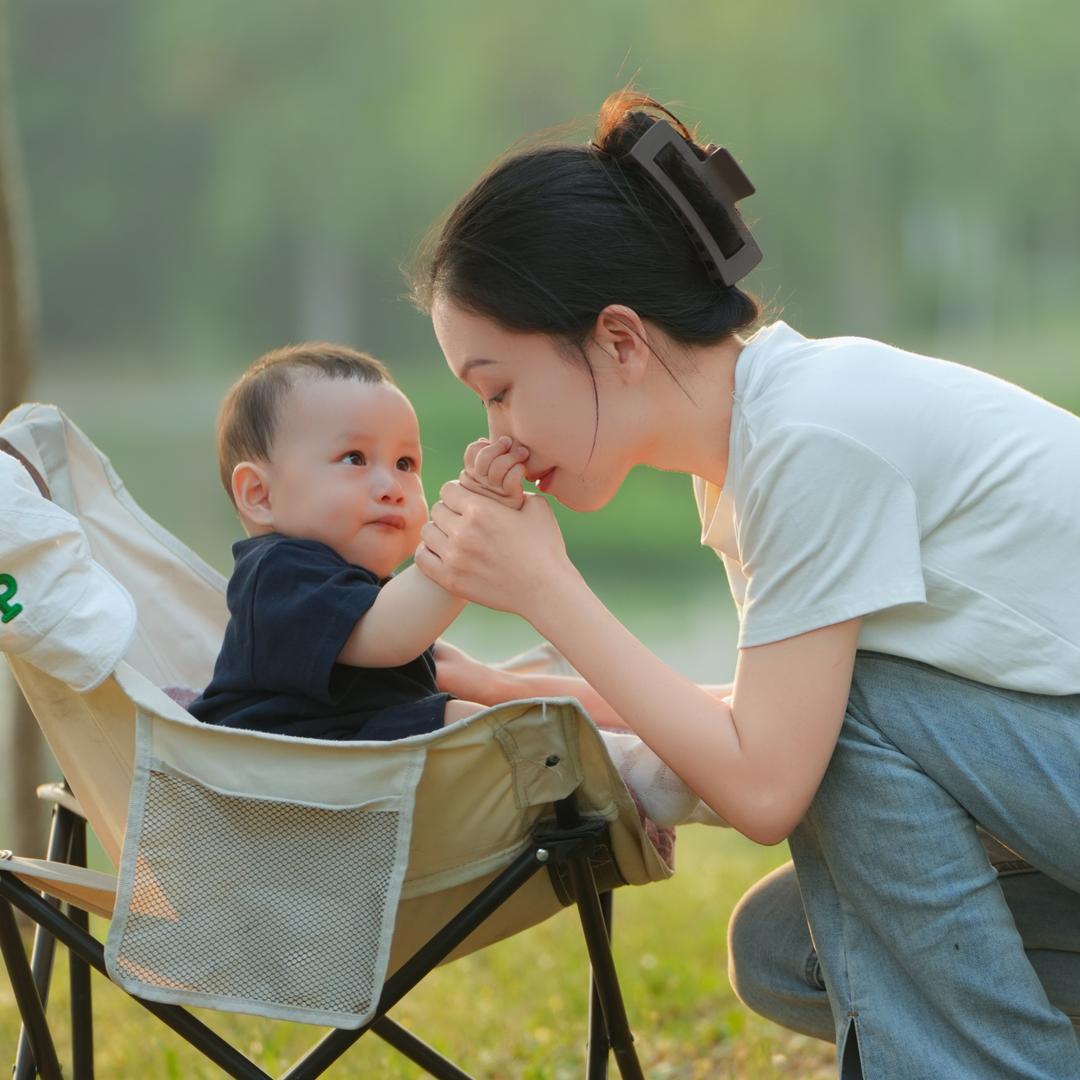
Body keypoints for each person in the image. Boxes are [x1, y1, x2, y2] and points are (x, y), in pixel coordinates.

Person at [409, 89, 1080, 1079]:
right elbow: (767, 729)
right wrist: (514, 692)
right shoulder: (759, 444)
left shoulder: (811, 437)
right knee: (785, 949)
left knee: (849, 718)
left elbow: (769, 778)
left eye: (499, 387)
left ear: (621, 340)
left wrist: (551, 590)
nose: (495, 434)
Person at [188, 342, 713, 826]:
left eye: (404, 463)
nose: (390, 486)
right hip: (280, 779)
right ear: (259, 494)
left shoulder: (354, 583)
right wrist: (468, 534)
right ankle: (631, 774)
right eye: (354, 459)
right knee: (461, 722)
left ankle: (652, 760)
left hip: (348, 768)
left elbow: (411, 639)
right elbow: (389, 634)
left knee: (479, 715)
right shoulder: (277, 574)